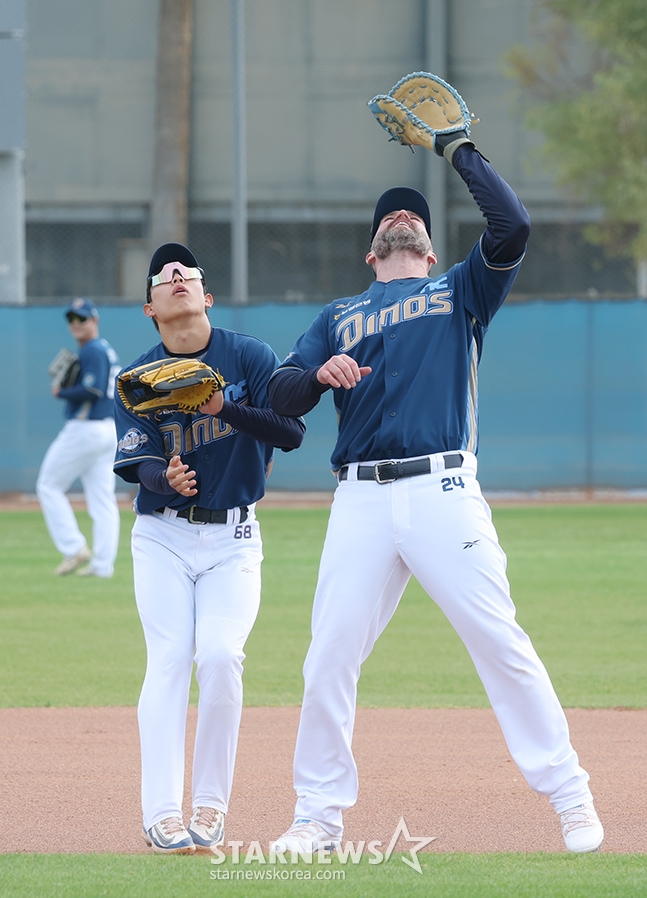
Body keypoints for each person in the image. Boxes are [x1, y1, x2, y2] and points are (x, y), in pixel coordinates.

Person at [268, 133, 604, 854]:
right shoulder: (338, 317)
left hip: (442, 489)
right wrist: (317, 374)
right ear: (372, 253)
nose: (401, 215)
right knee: (327, 656)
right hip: (359, 500)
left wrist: (459, 151)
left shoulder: (458, 290)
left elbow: (512, 225)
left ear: (427, 249)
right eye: (390, 215)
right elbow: (280, 394)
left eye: (413, 215)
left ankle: (570, 793)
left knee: (497, 638)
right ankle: (317, 817)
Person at [113, 243, 305, 855]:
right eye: (163, 275)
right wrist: (163, 477)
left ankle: (211, 805)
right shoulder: (136, 378)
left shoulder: (249, 356)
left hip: (234, 538)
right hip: (163, 536)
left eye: (186, 272)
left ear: (206, 296)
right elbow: (138, 464)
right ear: (150, 307)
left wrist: (226, 407)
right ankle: (162, 813)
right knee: (170, 659)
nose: (175, 275)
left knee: (221, 656)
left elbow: (292, 433)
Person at [36, 298, 121, 578]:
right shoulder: (103, 348)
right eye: (72, 319)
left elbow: (92, 389)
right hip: (107, 428)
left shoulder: (93, 349)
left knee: (48, 485)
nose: (76, 324)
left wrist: (61, 392)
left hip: (86, 428)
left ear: (94, 320)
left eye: (82, 318)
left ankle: (73, 548)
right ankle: (102, 566)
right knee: (102, 499)